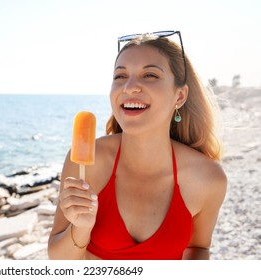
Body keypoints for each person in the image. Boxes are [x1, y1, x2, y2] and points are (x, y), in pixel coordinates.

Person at [47, 31, 227, 260]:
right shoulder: (88, 161)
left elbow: (198, 249)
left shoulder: (208, 178)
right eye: (120, 76)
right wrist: (80, 228)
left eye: (150, 75)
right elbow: (59, 261)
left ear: (180, 96)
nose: (129, 87)